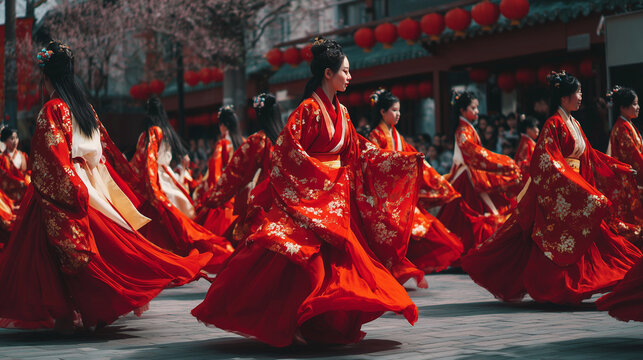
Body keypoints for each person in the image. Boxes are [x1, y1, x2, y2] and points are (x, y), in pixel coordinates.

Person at [192, 37, 419, 347]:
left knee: (337, 266)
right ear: (328, 73)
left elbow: (361, 151)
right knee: (299, 266)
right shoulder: (308, 110)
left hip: (335, 201)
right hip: (311, 199)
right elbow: (286, 153)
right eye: (346, 71)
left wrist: (399, 162)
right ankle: (293, 320)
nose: (350, 77)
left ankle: (319, 321)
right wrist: (323, 180)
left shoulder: (343, 113)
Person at [0, 41, 212, 331]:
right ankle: (96, 308)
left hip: (67, 186)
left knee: (55, 255)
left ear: (46, 76)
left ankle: (67, 312)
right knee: (108, 249)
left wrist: (70, 190)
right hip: (90, 182)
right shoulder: (85, 110)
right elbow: (104, 152)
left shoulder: (52, 109)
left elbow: (49, 156)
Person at [461, 71, 642, 304]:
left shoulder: (574, 122)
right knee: (557, 239)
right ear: (564, 98)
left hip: (575, 188)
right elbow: (547, 161)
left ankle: (595, 279)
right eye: (577, 92)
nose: (580, 97)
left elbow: (590, 155)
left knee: (591, 234)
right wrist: (573, 187)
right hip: (561, 191)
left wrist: (617, 166)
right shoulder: (553, 124)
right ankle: (556, 286)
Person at [130, 96, 233, 273]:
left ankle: (160, 256)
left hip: (155, 177)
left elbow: (146, 160)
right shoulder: (166, 131)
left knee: (159, 220)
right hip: (166, 176)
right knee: (173, 220)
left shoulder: (151, 132)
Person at [367, 89, 462, 277]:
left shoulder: (396, 136)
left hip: (400, 197)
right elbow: (375, 162)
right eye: (394, 110)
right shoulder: (375, 136)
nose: (398, 114)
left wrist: (436, 178)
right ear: (382, 112)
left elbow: (412, 157)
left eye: (399, 110)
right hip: (385, 199)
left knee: (429, 230)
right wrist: (405, 160)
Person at [437, 91, 521, 255]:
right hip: (467, 176)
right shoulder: (463, 130)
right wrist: (501, 161)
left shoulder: (466, 128)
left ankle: (467, 251)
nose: (477, 111)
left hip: (469, 174)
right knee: (473, 214)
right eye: (473, 108)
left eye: (477, 107)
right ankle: (471, 252)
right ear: (462, 110)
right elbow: (472, 152)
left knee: (464, 217)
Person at [198, 93, 285, 246]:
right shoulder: (288, 140)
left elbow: (234, 173)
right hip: (287, 201)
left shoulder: (258, 140)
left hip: (263, 199)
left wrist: (212, 197)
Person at [194, 106, 244, 236]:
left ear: (223, 125)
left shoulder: (222, 144)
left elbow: (214, 173)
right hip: (243, 193)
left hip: (226, 195)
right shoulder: (244, 142)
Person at [0, 128, 29, 203]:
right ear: (5, 141)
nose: (15, 141)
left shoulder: (24, 156)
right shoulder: (2, 158)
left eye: (16, 138)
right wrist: (18, 182)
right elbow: (3, 177)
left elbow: (30, 171)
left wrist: (27, 180)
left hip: (25, 194)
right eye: (12, 138)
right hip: (8, 197)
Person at [514, 116, 539, 186]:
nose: (538, 130)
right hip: (526, 178)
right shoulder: (526, 144)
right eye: (536, 127)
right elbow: (522, 163)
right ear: (528, 129)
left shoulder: (526, 142)